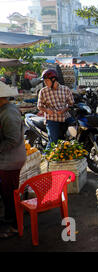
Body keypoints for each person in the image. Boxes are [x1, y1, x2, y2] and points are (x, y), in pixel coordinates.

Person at [0, 81, 26, 238]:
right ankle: (11, 220)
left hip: (10, 160)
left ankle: (15, 225)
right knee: (7, 192)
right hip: (8, 159)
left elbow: (13, 140)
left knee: (9, 194)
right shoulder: (4, 110)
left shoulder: (8, 113)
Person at [37, 69, 75, 151]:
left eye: (47, 81)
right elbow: (39, 106)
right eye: (44, 81)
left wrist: (64, 109)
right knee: (53, 141)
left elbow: (71, 103)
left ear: (53, 80)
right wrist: (47, 110)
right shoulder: (43, 91)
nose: (45, 83)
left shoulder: (65, 89)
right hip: (52, 119)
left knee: (77, 132)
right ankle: (45, 159)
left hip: (66, 117)